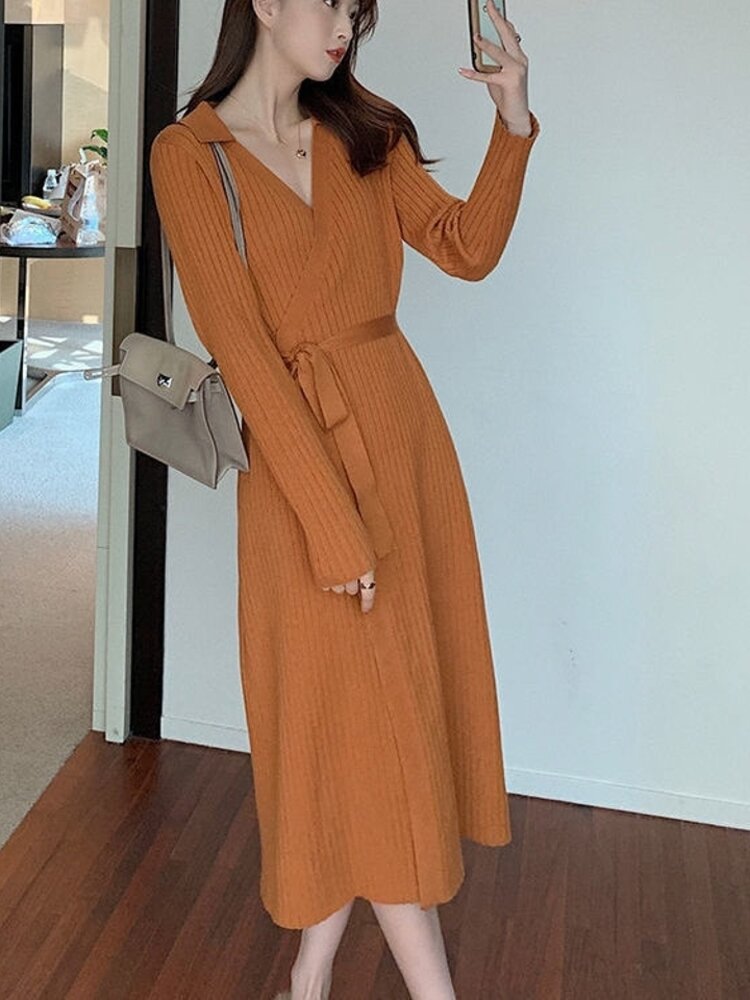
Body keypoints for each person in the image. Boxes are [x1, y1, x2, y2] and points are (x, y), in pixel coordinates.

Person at [149, 0, 540, 996]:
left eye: (356, 12)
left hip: (404, 447)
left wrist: (513, 122)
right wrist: (334, 528)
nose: (345, 27)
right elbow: (245, 355)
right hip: (299, 478)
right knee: (345, 722)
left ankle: (311, 970)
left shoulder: (367, 134)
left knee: (383, 716)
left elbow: (465, 247)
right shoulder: (189, 156)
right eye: (331, 3)